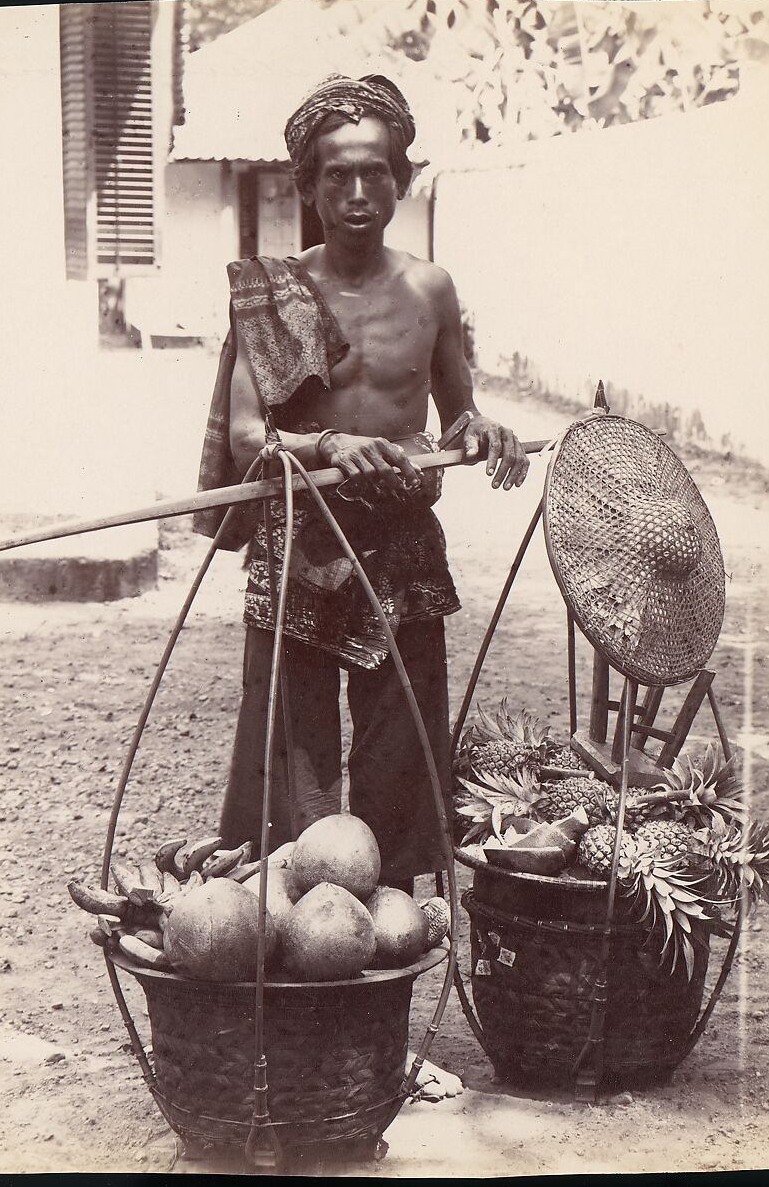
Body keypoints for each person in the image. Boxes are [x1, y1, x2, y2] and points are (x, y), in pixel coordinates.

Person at [195, 74, 529, 902]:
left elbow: (457, 413)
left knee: (399, 747)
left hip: (403, 545)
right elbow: (247, 439)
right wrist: (330, 441)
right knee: (289, 753)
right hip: (300, 543)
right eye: (335, 174)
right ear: (305, 185)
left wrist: (481, 430)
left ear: (401, 178)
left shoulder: (430, 289)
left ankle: (385, 932)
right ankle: (283, 927)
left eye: (374, 171)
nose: (356, 192)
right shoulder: (270, 292)